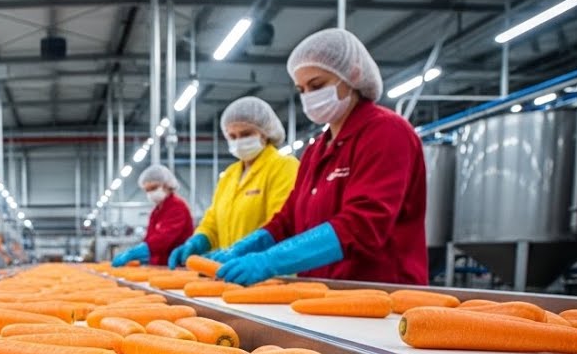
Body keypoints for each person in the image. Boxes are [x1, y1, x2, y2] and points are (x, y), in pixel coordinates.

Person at [213, 27, 429, 286]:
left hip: (381, 293)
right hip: (321, 293)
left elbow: (363, 225)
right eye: (302, 89)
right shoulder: (316, 151)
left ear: (352, 75)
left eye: (317, 85)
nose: (309, 97)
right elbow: (289, 219)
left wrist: (270, 260)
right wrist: (244, 248)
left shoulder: (386, 132)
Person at [167, 96, 300, 269]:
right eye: (232, 136)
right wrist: (198, 240)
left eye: (246, 134)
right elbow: (213, 221)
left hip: (269, 272)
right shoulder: (229, 175)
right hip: (229, 271)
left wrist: (246, 251)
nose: (238, 141)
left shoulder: (283, 166)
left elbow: (281, 224)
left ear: (265, 133)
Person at [110, 164, 194, 267]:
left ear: (167, 185)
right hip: (161, 265)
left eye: (153, 188)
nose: (150, 193)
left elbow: (162, 240)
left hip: (176, 265)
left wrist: (135, 253)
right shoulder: (156, 212)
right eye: (147, 190)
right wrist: (143, 256)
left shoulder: (177, 207)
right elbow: (150, 238)